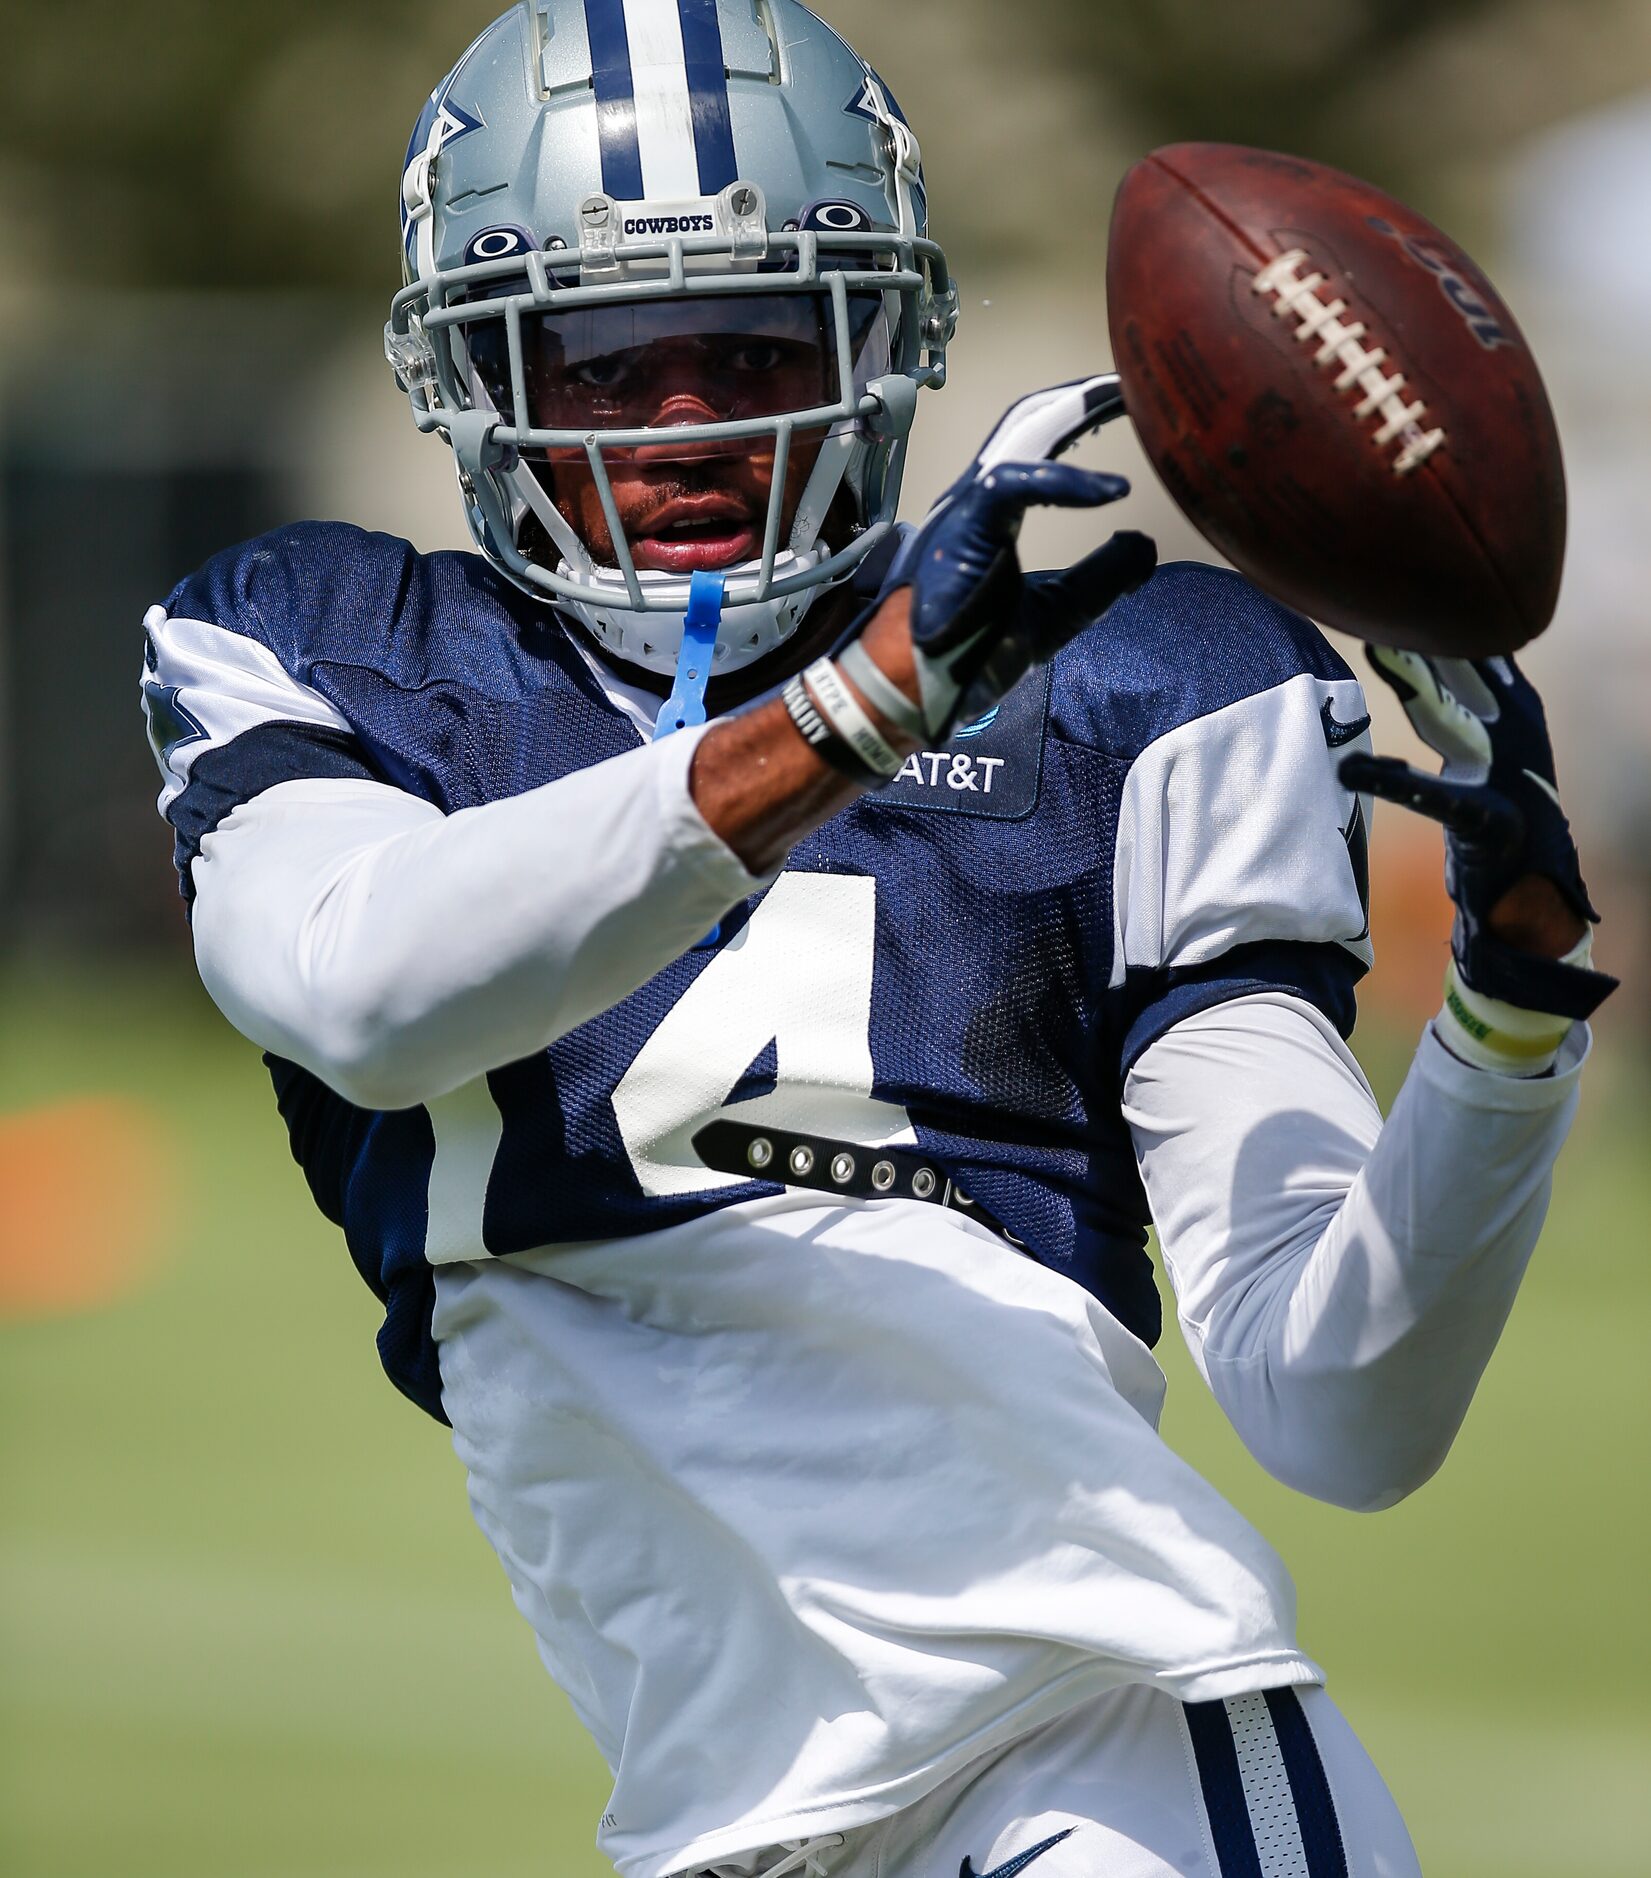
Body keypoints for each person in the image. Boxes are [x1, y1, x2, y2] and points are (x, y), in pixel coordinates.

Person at [139, 5, 1615, 1875]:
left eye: (755, 341)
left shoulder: (1147, 682)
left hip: (1107, 1762)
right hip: (734, 1813)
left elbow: (1342, 1403)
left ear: (882, 340)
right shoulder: (322, 644)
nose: (694, 421)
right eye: (601, 360)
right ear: (468, 377)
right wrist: (854, 717)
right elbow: (358, 990)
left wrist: (1506, 1025)